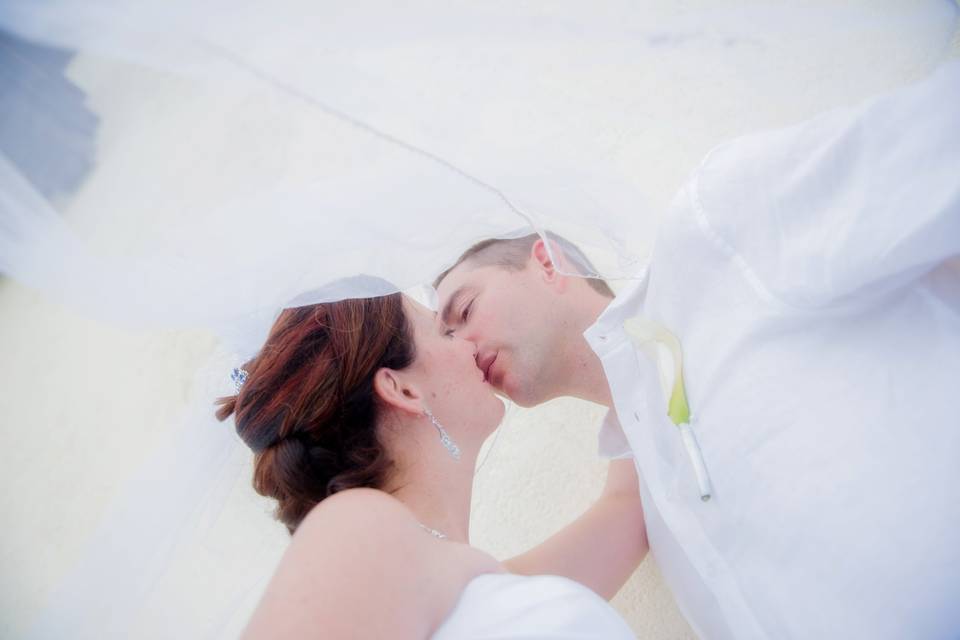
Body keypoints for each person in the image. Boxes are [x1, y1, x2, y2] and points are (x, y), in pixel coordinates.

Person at [433, 61, 960, 639]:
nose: (459, 349)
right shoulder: (640, 494)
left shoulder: (717, 234)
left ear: (547, 261)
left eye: (462, 312)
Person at [215, 291, 647, 638]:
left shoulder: (486, 585)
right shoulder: (352, 523)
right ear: (401, 390)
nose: (467, 343)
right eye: (443, 333)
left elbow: (629, 505)